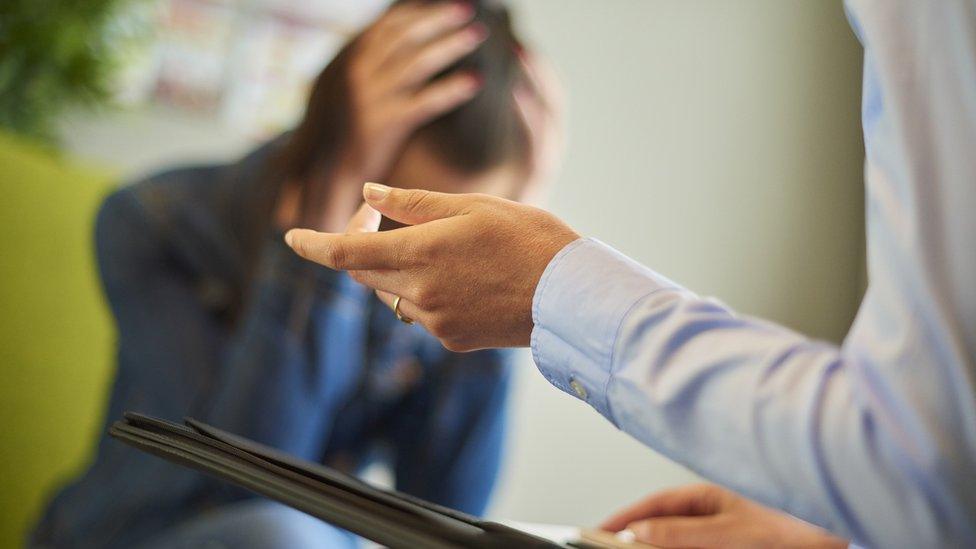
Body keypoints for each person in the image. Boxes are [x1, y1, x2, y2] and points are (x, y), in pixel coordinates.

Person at [283, 1, 976, 547]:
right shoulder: (182, 221)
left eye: (449, 244)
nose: (417, 279)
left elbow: (446, 509)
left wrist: (541, 279)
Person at [30, 2, 551, 547]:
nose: (424, 248)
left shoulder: (437, 270)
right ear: (340, 148)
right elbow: (248, 482)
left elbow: (449, 517)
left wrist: (512, 269)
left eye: (456, 223)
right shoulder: (153, 225)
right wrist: (327, 214)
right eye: (395, 215)